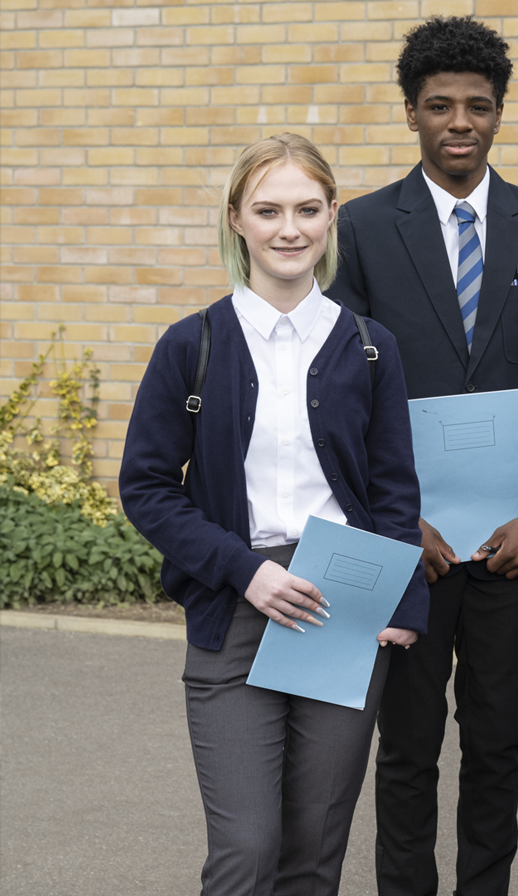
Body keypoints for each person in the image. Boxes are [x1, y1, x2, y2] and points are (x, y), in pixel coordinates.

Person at [118, 133, 428, 895]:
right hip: (236, 606)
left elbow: (394, 490)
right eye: (268, 210)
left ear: (331, 219)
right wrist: (244, 571)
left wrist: (402, 599)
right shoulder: (190, 344)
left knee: (313, 855)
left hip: (344, 603)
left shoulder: (370, 348)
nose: (288, 228)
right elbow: (147, 486)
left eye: (307, 209)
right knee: (247, 851)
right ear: (236, 220)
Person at [324, 16, 518, 896]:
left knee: (495, 747)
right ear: (411, 114)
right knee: (403, 751)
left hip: (509, 548)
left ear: (500, 114)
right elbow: (341, 400)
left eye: (478, 105)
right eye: (440, 106)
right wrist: (401, 526)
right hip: (414, 552)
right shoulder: (358, 230)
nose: (460, 121)